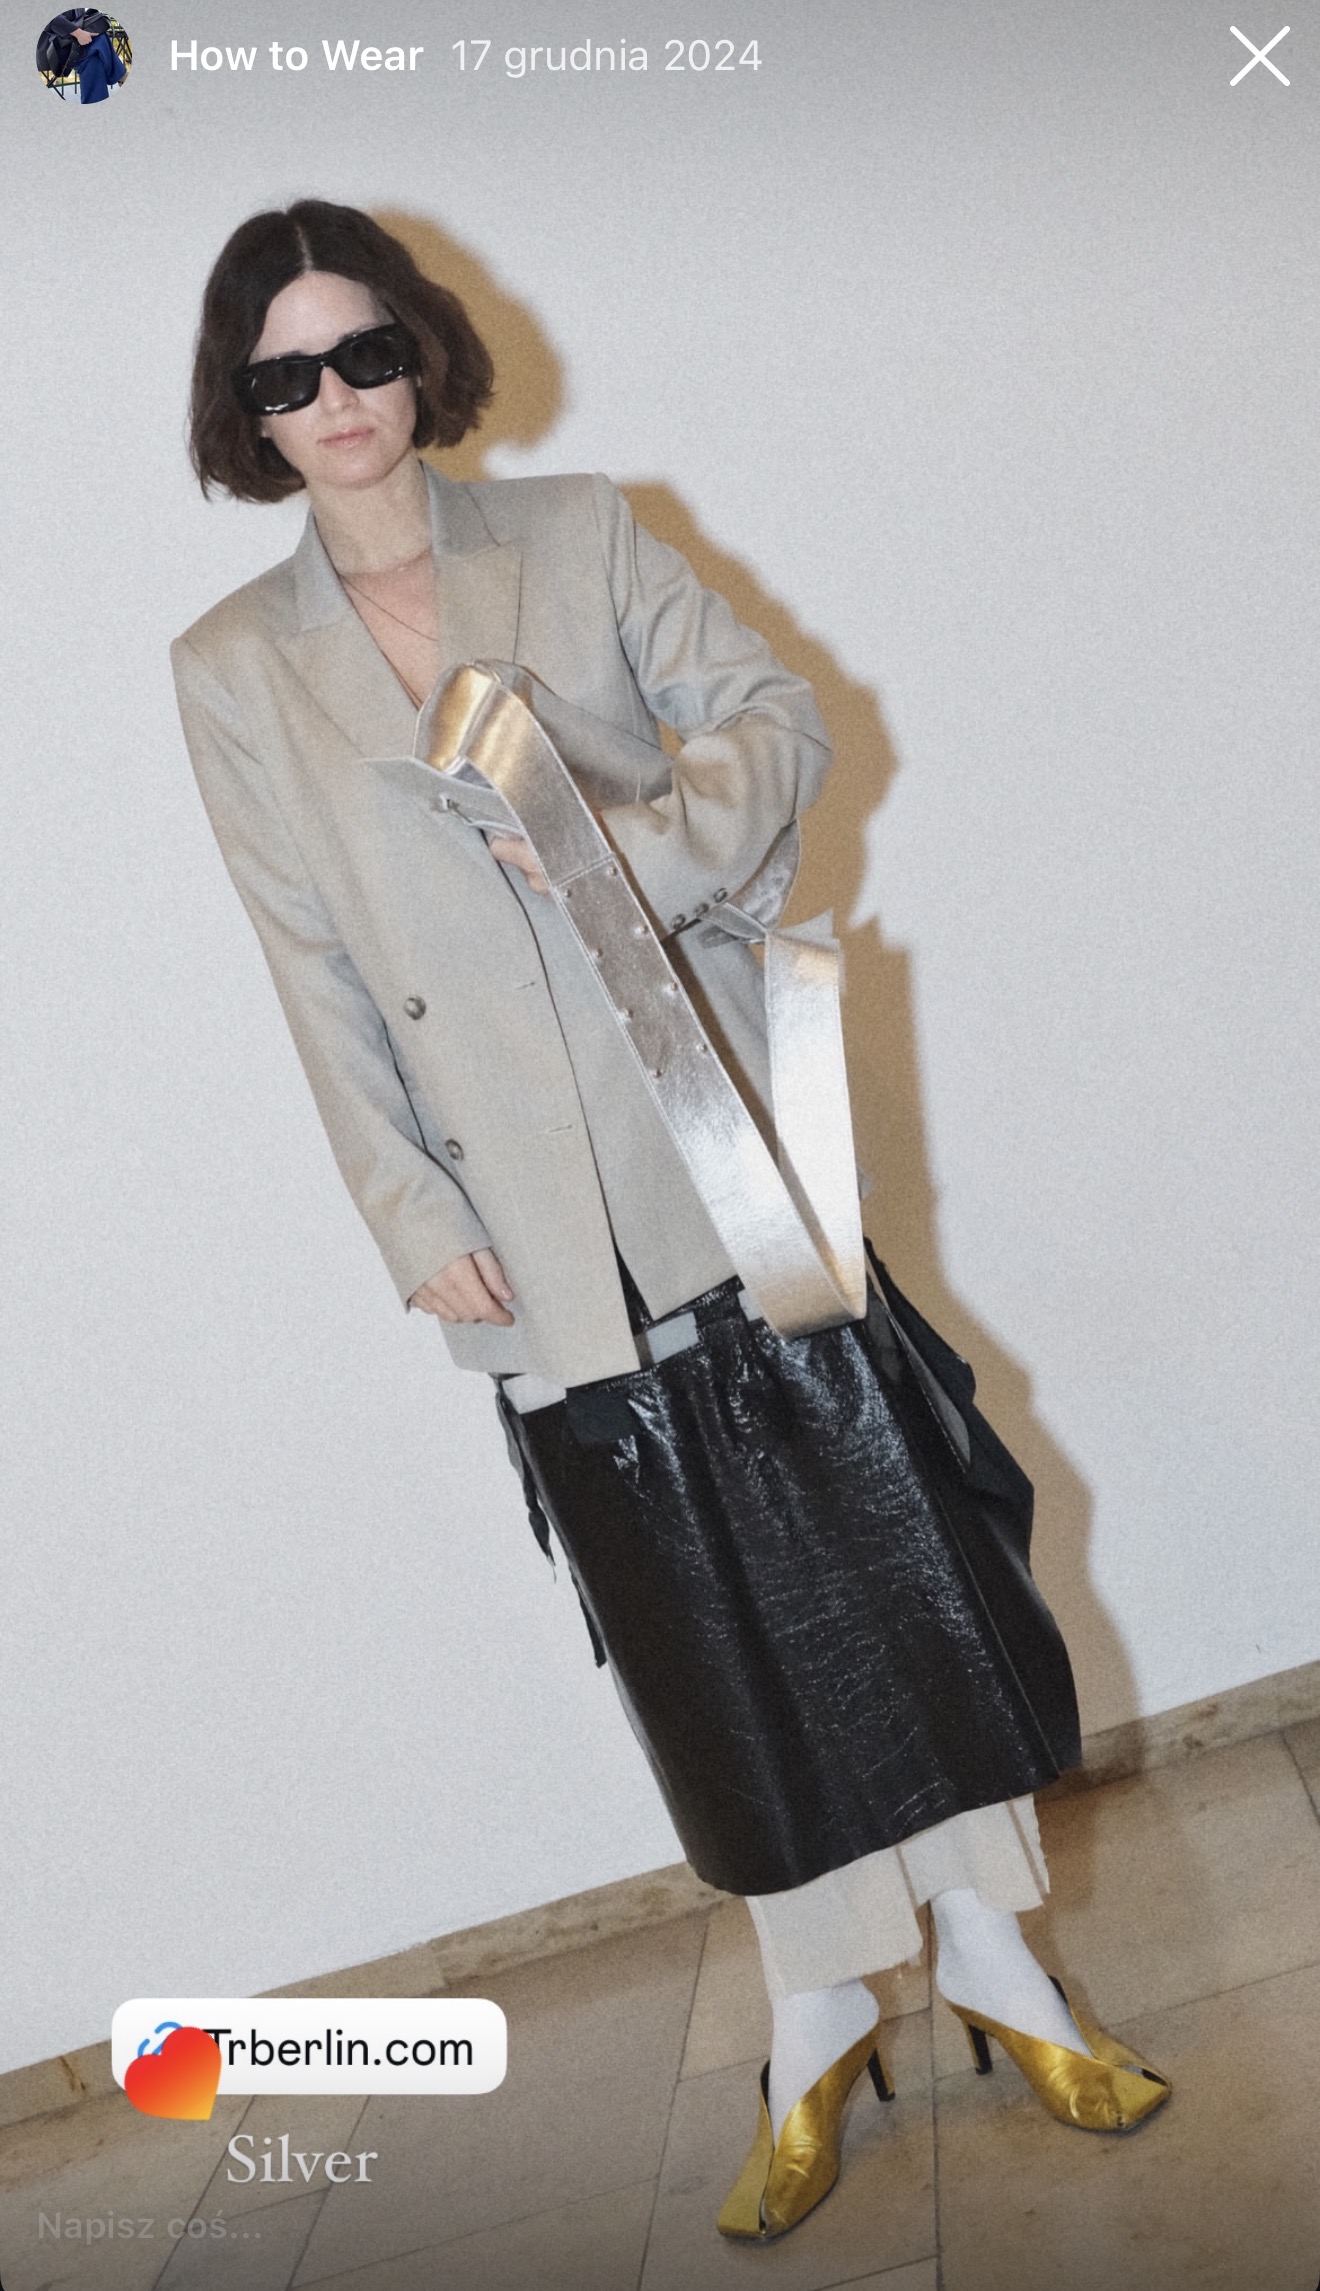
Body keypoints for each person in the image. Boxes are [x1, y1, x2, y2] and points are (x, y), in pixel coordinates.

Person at [172, 199, 1169, 2243]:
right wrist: (407, 1213)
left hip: (716, 1131)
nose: (337, 400)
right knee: (702, 1626)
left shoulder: (579, 535)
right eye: (287, 375)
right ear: (246, 412)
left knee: (889, 1547)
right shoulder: (232, 670)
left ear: (419, 354)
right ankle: (821, 2014)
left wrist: (628, 843)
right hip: (518, 1212)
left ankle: (998, 1960)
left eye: (364, 353)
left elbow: (783, 725)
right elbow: (310, 967)